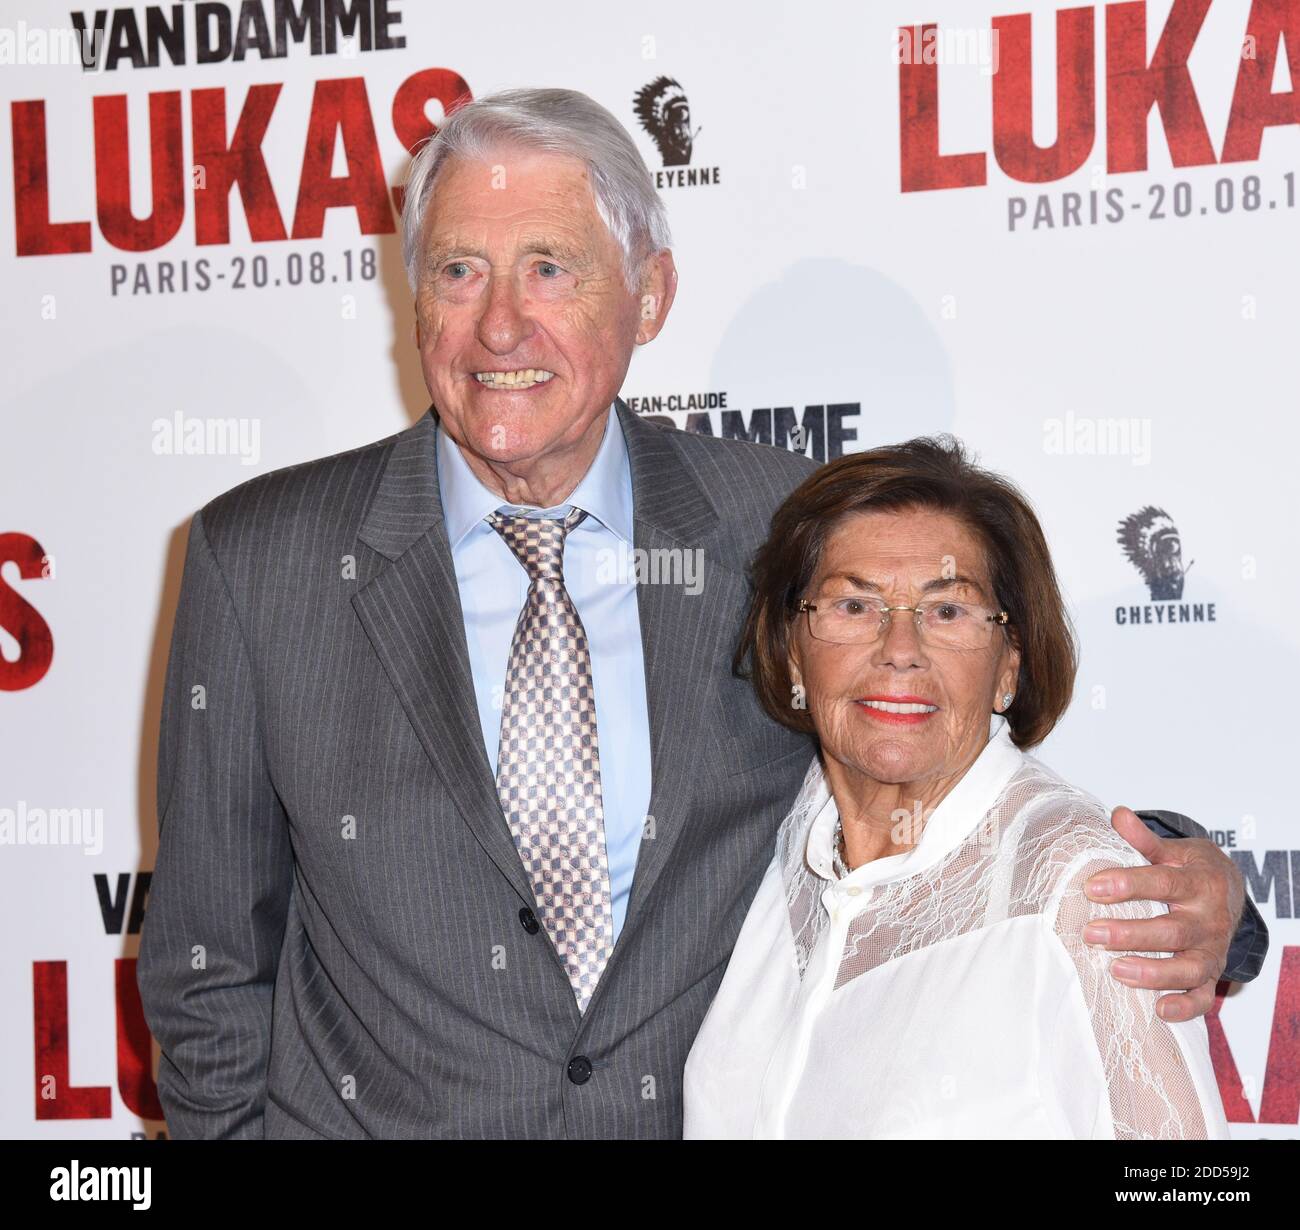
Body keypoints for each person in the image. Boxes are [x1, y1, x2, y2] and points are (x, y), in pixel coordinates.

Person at [136, 88, 1261, 1140]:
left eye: (548, 270)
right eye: (460, 271)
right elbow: (204, 963)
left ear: (650, 295)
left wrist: (1201, 900)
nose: (498, 329)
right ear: (412, 293)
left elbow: (951, 767)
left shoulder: (784, 528)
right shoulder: (260, 559)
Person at [683, 437, 1231, 1138]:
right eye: (854, 605)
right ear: (793, 650)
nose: (900, 648)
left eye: (947, 612)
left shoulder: (1081, 893)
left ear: (1009, 664)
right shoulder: (786, 840)